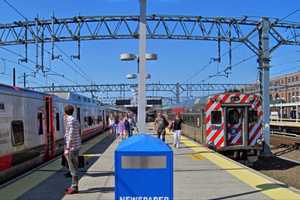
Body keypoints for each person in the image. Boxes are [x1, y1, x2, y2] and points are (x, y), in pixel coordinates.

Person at [64, 105, 81, 194]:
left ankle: (74, 187)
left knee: (72, 168)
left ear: (65, 112)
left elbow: (70, 135)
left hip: (72, 148)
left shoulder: (70, 121)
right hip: (76, 146)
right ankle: (73, 185)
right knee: (74, 167)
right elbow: (77, 132)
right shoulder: (75, 120)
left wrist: (67, 148)